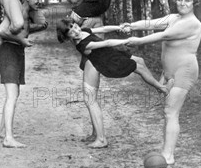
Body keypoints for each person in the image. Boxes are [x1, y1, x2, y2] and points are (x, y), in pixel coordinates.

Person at [56, 19, 170, 148]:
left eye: (75, 27)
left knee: (140, 61)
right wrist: (127, 41)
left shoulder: (85, 31)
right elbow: (108, 42)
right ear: (66, 37)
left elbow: (103, 29)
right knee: (91, 99)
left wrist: (118, 27)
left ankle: (161, 88)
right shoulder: (83, 45)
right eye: (71, 32)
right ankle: (161, 88)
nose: (76, 31)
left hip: (110, 56)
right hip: (108, 63)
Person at [122, 0, 201, 165]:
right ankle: (166, 150)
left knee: (170, 112)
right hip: (169, 71)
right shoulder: (174, 18)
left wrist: (138, 40)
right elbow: (151, 24)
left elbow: (164, 36)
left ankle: (168, 156)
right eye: (180, 0)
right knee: (167, 111)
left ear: (194, 3)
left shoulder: (193, 23)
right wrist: (131, 26)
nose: (183, 3)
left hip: (185, 71)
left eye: (187, 1)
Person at [0, 0, 48, 148]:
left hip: (17, 51)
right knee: (12, 94)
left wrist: (37, 23)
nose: (40, 1)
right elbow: (1, 31)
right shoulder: (16, 10)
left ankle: (2, 131)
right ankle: (8, 138)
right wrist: (21, 40)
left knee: (15, 93)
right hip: (9, 50)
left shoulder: (28, 12)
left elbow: (34, 26)